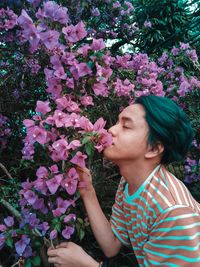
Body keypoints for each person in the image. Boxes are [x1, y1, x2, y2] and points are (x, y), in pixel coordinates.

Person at [48, 95, 200, 267]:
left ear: (154, 148)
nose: (111, 130)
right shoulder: (129, 183)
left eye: (126, 126)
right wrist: (87, 190)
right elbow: (111, 245)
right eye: (117, 122)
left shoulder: (173, 213)